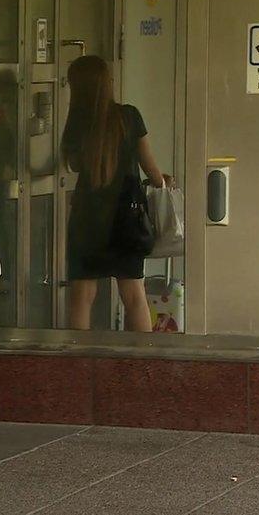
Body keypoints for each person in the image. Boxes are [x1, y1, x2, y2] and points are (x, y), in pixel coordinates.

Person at [62, 55, 172, 331]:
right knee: (133, 295)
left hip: (88, 218)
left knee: (82, 296)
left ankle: (78, 359)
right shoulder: (129, 116)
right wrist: (162, 181)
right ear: (106, 84)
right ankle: (141, 361)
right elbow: (151, 169)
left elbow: (74, 164)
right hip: (127, 217)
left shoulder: (77, 122)